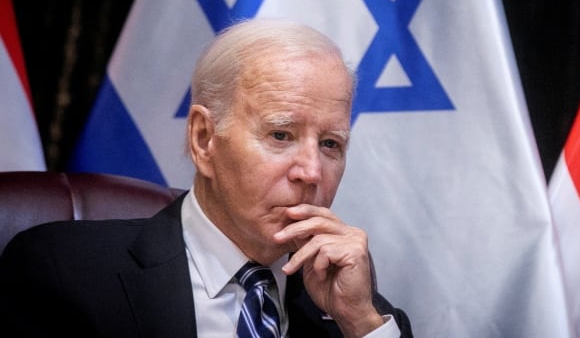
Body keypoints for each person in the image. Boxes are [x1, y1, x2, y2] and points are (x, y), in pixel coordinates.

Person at [0, 17, 413, 337]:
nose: (311, 172)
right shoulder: (64, 272)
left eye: (330, 145)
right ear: (203, 139)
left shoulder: (356, 312)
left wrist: (359, 322)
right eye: (280, 135)